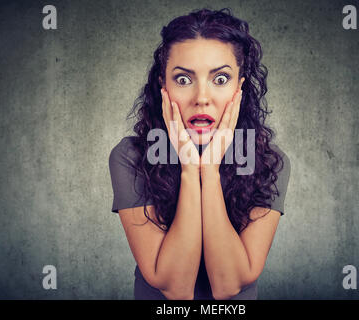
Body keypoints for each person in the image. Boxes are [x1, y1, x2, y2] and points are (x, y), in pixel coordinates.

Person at [109, 8, 290, 300]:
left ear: (240, 88)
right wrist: (190, 169)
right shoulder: (131, 157)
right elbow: (175, 289)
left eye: (220, 79)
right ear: (163, 85)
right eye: (183, 79)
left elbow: (228, 286)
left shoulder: (268, 163)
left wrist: (210, 170)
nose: (201, 98)